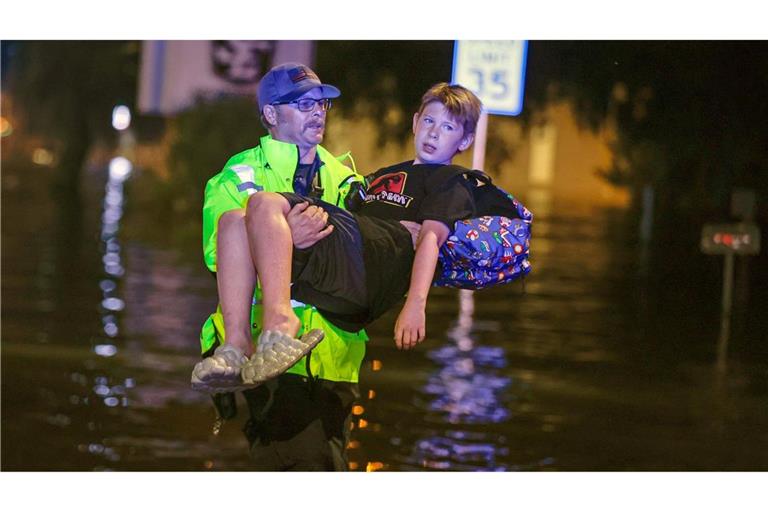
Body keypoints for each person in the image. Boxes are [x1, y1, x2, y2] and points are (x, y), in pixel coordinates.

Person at [196, 82, 521, 388]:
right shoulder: (379, 178)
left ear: (464, 141)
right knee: (233, 220)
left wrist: (415, 305)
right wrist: (289, 235)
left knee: (264, 202)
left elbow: (430, 241)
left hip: (368, 270)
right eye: (430, 121)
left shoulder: (450, 181)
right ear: (415, 121)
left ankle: (280, 326)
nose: (434, 133)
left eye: (448, 127)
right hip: (345, 267)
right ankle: (235, 347)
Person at [198, 62, 368, 471]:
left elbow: (358, 261)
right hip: (267, 357)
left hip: (336, 359)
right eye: (303, 103)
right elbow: (218, 255)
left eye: (322, 103)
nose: (318, 112)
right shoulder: (238, 177)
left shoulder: (347, 179)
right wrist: (288, 237)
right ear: (271, 114)